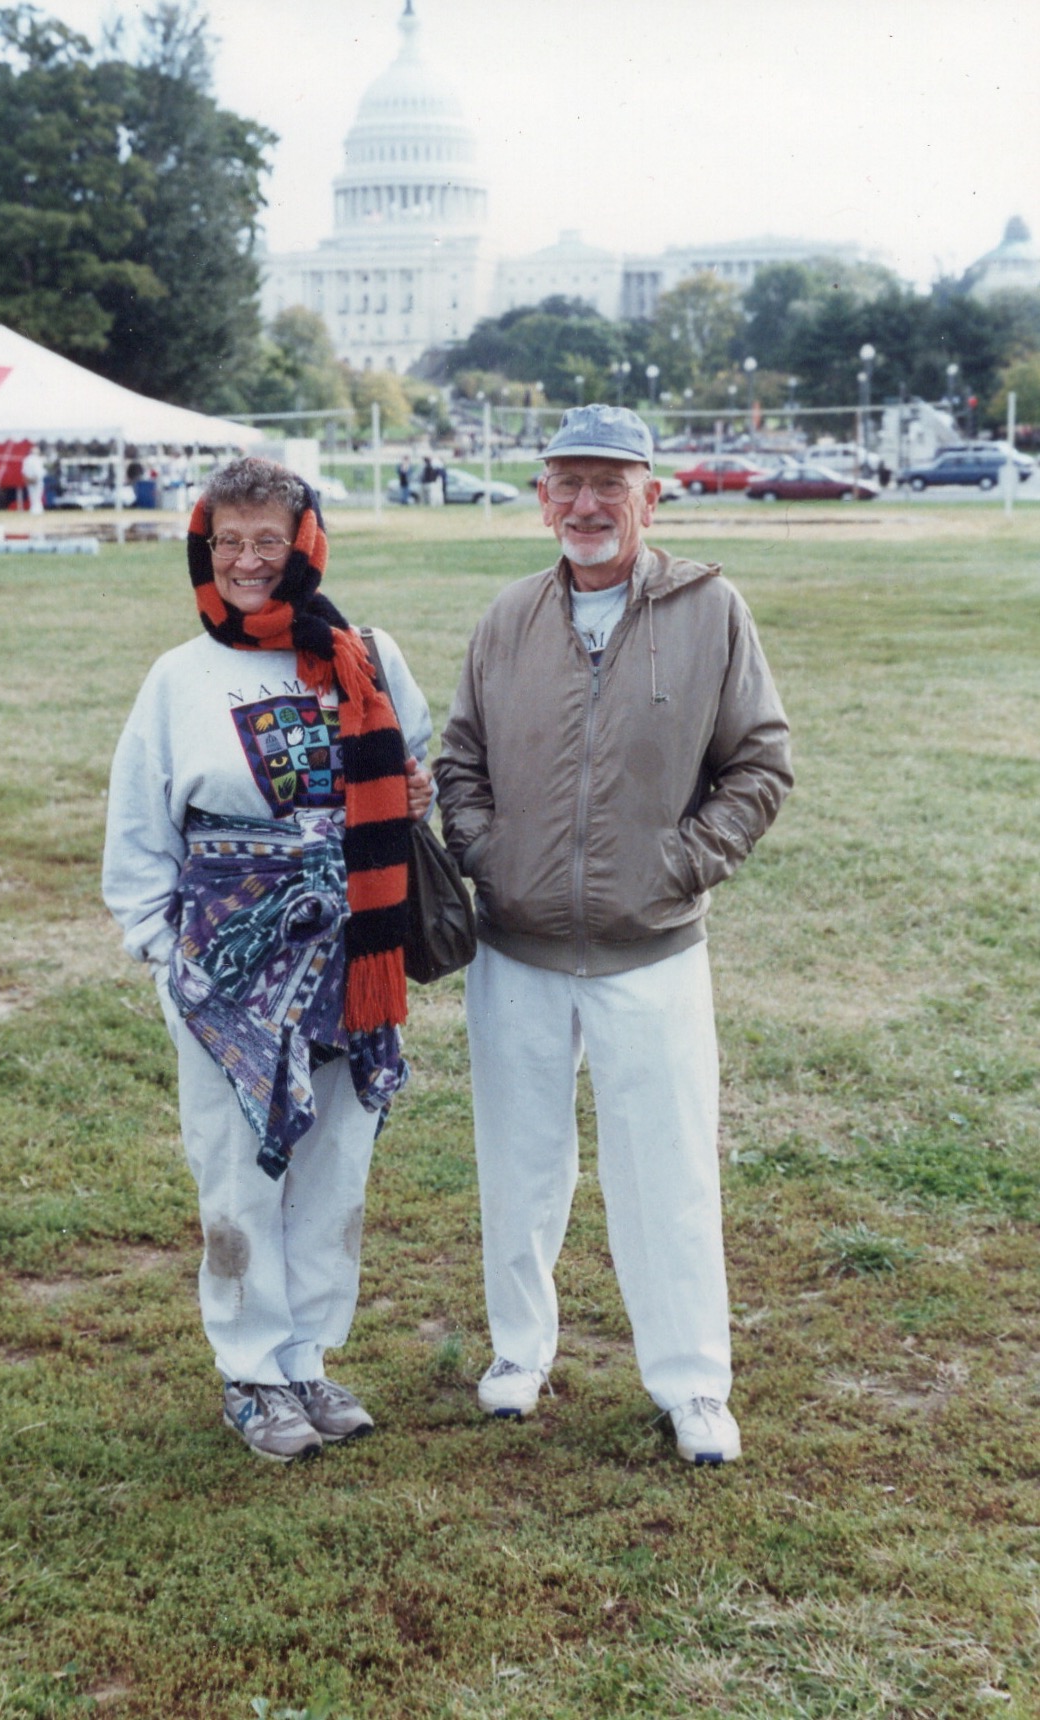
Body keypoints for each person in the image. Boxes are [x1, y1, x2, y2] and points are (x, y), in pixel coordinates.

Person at [434, 404, 792, 1465]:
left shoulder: (709, 609)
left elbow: (758, 764)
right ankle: (516, 1353)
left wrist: (673, 867)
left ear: (649, 493)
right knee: (518, 1161)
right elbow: (459, 762)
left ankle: (690, 1382)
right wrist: (488, 853)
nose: (585, 505)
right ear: (540, 496)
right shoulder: (505, 618)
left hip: (652, 951)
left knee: (666, 1168)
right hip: (518, 949)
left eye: (609, 484)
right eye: (566, 484)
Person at [103, 456, 433, 1463]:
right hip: (226, 974)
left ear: (306, 543)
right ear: (206, 546)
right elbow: (139, 831)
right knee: (240, 1169)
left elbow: (417, 764)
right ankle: (249, 1370)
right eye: (228, 541)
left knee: (334, 1160)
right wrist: (166, 955)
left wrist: (408, 793)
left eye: (268, 540)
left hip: (348, 957)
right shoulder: (179, 678)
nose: (248, 560)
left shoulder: (364, 657)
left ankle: (305, 1358)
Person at [21, 444, 45, 514]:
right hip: (33, 479)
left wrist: (29, 478)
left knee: (35, 495)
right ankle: (36, 509)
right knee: (35, 495)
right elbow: (25, 471)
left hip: (35, 479)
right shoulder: (31, 459)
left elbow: (25, 471)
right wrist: (30, 478)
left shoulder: (35, 459)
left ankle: (37, 509)